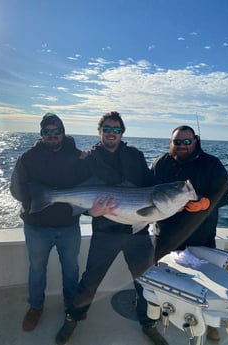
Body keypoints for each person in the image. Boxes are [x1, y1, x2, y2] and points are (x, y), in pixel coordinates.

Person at [55, 111, 168, 345]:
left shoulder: (135, 156)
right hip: (104, 232)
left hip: (136, 233)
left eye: (116, 130)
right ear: (99, 132)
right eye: (106, 129)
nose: (111, 134)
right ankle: (72, 317)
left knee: (146, 282)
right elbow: (81, 192)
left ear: (122, 133)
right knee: (90, 281)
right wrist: (90, 212)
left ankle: (149, 324)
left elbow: (150, 187)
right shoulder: (89, 159)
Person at [150, 125, 228, 342]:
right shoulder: (161, 163)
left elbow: (227, 193)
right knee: (164, 277)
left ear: (195, 141)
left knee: (206, 282)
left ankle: (211, 324)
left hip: (201, 235)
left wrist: (206, 203)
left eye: (187, 142)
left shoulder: (211, 163)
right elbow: (146, 191)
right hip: (166, 235)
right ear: (171, 142)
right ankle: (160, 311)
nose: (182, 146)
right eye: (177, 142)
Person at [10, 112, 91, 332]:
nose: (53, 135)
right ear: (42, 134)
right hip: (37, 227)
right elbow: (15, 189)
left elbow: (88, 183)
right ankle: (36, 306)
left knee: (71, 269)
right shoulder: (27, 158)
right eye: (48, 132)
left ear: (64, 133)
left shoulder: (77, 156)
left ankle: (70, 303)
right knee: (37, 269)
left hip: (68, 226)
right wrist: (38, 202)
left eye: (57, 131)